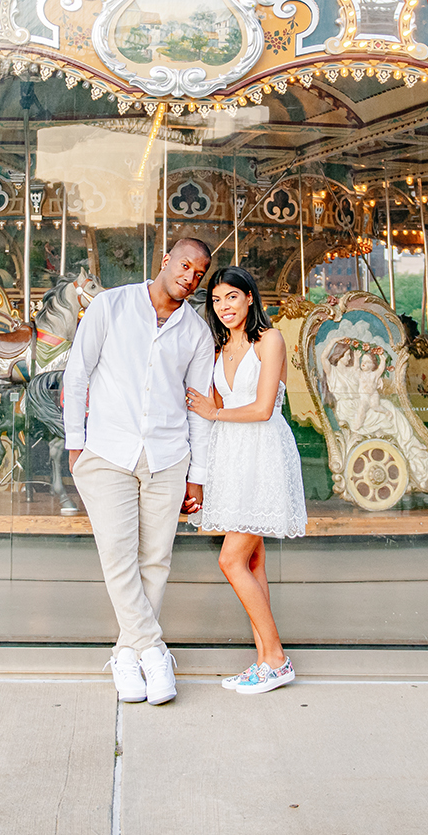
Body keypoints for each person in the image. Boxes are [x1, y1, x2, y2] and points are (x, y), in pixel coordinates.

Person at [62, 236, 214, 706]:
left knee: (156, 559)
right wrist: (75, 444)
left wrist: (199, 474)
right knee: (118, 553)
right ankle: (154, 650)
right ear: (165, 260)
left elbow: (200, 409)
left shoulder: (196, 333)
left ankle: (128, 655)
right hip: (107, 450)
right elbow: (77, 373)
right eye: (184, 265)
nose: (190, 276)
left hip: (168, 456)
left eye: (199, 272)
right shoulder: (111, 305)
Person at [184, 266, 306, 695]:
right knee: (253, 562)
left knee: (230, 560)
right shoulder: (220, 348)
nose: (224, 307)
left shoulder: (268, 341)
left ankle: (276, 658)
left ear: (249, 298)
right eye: (217, 301)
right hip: (230, 456)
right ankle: (264, 662)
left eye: (232, 297)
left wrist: (213, 411)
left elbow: (262, 408)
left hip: (262, 453)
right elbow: (212, 403)